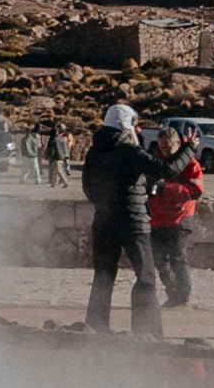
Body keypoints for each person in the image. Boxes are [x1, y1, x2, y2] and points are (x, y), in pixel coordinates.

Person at [81, 101, 163, 337]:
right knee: (146, 277)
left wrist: (103, 204)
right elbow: (164, 170)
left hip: (103, 221)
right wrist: (188, 149)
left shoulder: (94, 152)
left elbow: (87, 187)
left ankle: (96, 328)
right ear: (126, 125)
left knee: (103, 276)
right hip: (133, 221)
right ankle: (146, 332)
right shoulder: (130, 151)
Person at [146, 124, 204, 316]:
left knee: (178, 258)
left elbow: (196, 191)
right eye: (162, 147)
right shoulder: (155, 162)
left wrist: (167, 188)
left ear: (178, 144)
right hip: (157, 219)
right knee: (159, 260)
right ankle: (172, 293)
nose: (165, 151)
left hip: (180, 218)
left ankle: (182, 296)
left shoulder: (190, 164)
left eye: (168, 147)